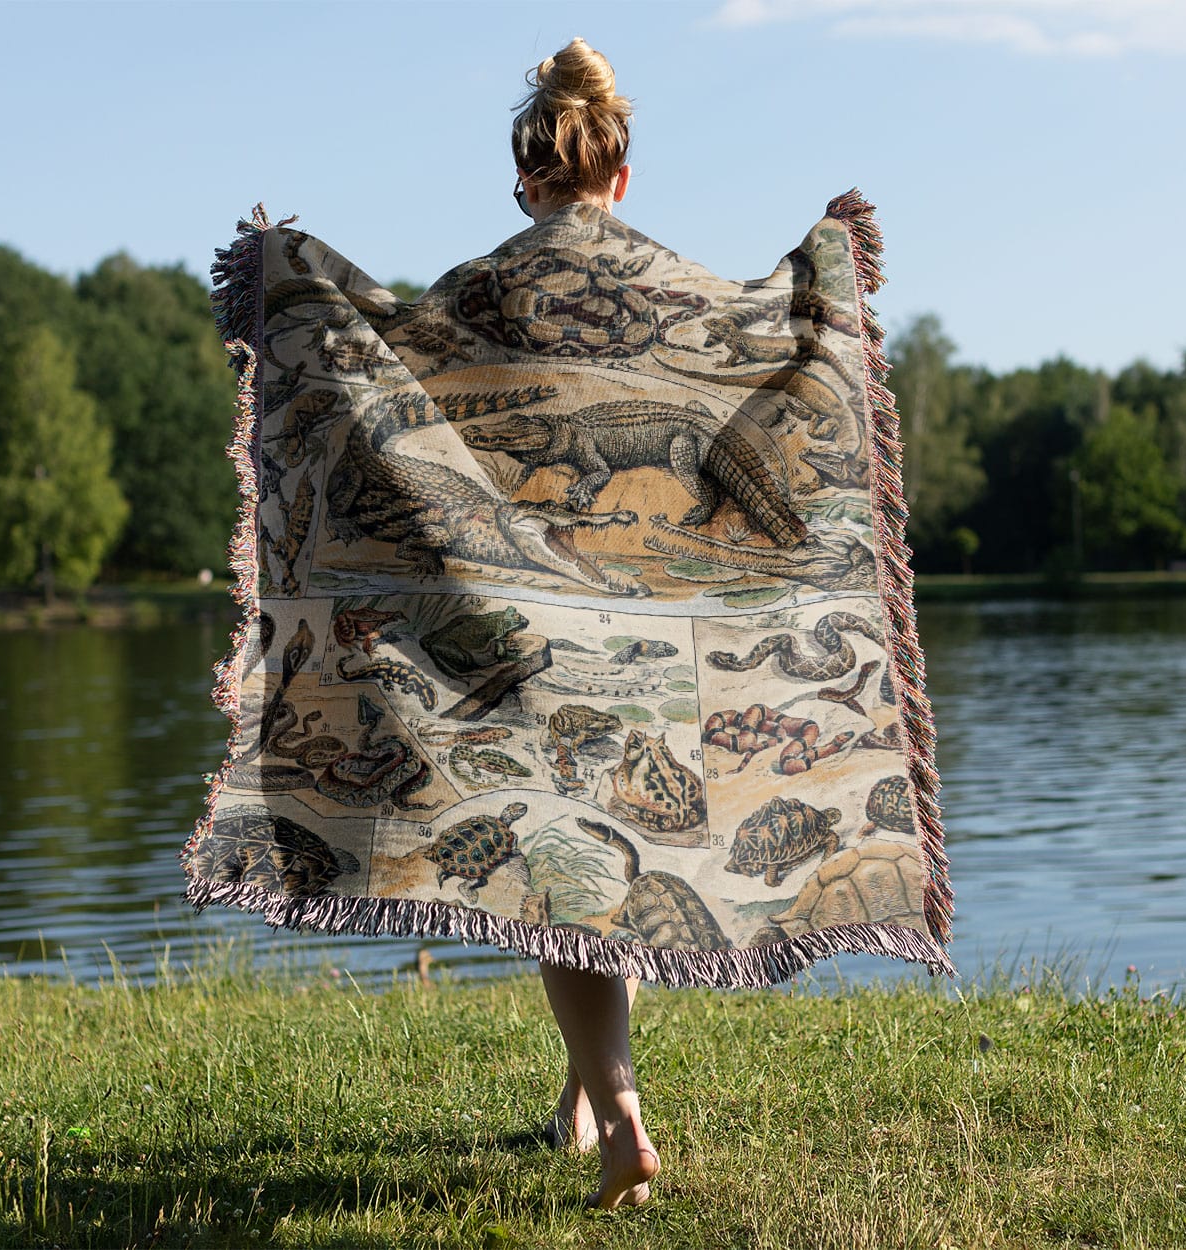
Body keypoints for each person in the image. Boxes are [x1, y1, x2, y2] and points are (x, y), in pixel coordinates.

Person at [509, 37, 660, 1212]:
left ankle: (619, 1117)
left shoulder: (488, 288)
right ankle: (576, 1099)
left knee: (561, 876)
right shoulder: (668, 289)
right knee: (604, 862)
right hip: (653, 621)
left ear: (527, 181)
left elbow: (385, 399)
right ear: (619, 174)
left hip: (530, 617)